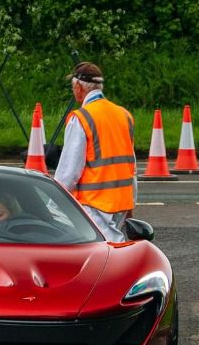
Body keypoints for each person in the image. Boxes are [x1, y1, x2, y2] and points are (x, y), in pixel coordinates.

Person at [53, 61, 137, 241]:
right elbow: (132, 165)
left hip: (95, 201)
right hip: (121, 201)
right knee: (114, 249)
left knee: (104, 253)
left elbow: (69, 172)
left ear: (78, 86)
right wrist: (131, 202)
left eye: (72, 86)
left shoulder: (82, 118)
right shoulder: (123, 115)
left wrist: (53, 202)